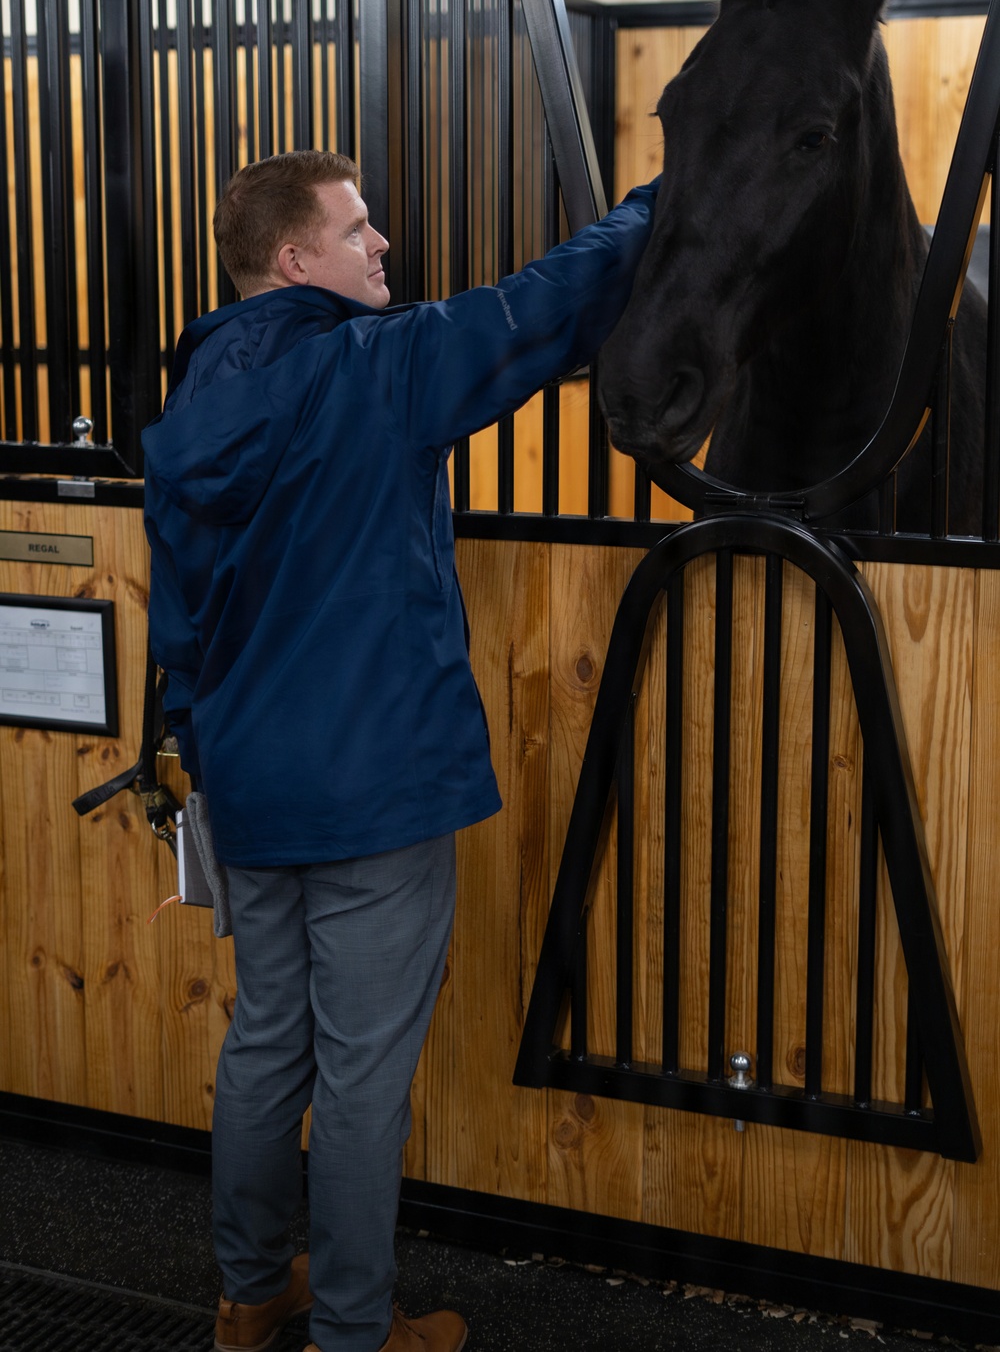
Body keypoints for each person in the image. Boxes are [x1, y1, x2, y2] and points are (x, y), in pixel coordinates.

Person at [142, 149, 658, 1352]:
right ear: (295, 259)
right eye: (359, 229)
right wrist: (657, 203)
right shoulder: (373, 370)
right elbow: (543, 303)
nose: (382, 247)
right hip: (376, 788)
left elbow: (178, 620)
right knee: (365, 1075)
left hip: (251, 782)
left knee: (268, 1041)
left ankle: (250, 1294)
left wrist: (198, 747)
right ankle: (356, 1333)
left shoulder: (195, 389)